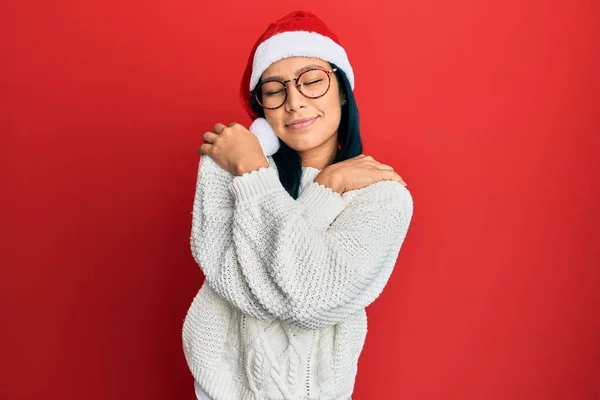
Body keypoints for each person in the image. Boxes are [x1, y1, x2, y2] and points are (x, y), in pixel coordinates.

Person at [182, 10, 414, 400]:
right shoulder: (227, 167)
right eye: (275, 90)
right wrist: (270, 174)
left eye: (311, 81)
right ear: (261, 107)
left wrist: (278, 177)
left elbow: (310, 297)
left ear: (341, 88)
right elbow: (226, 276)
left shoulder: (382, 194)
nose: (294, 102)